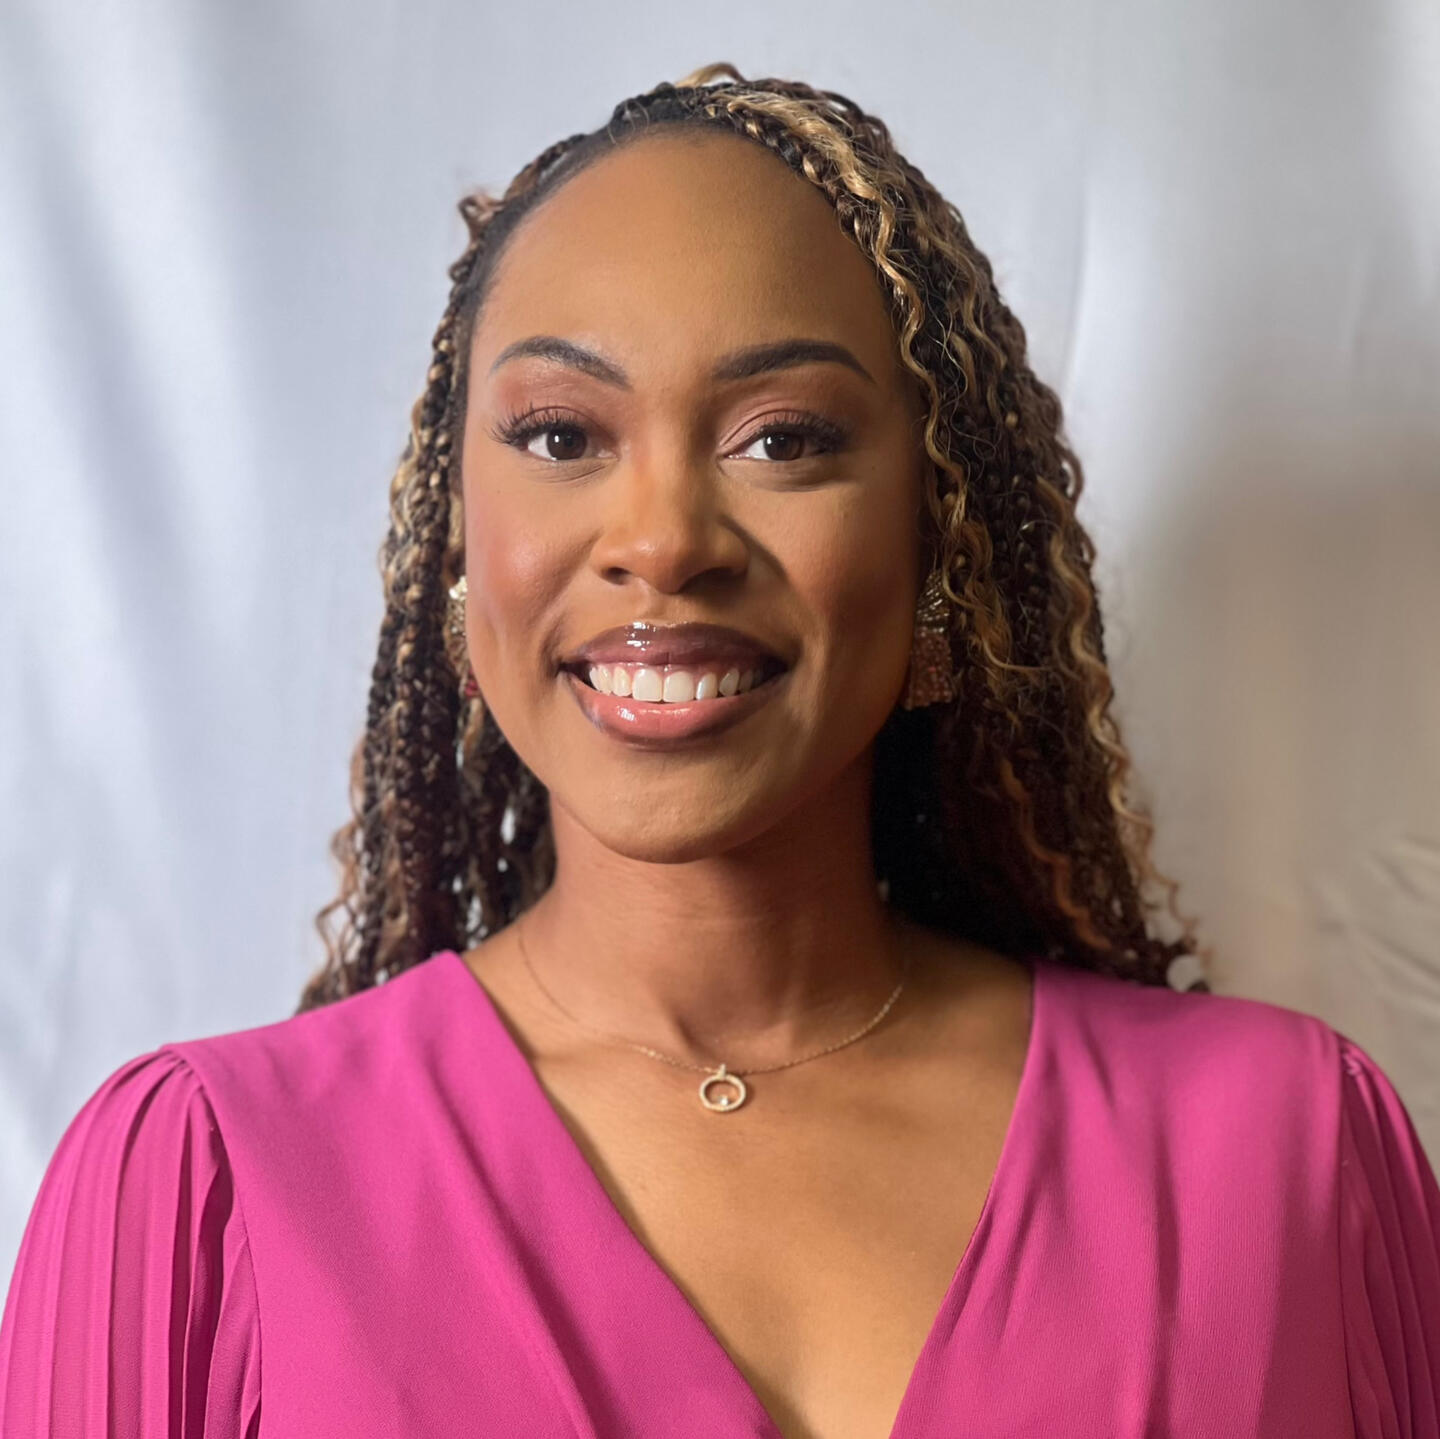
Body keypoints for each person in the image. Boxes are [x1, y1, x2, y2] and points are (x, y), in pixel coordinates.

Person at [2, 62, 1437, 1439]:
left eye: (784, 438)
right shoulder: (203, 1192)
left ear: (937, 542)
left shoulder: (1291, 1159)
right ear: (458, 540)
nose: (664, 540)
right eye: (562, 436)